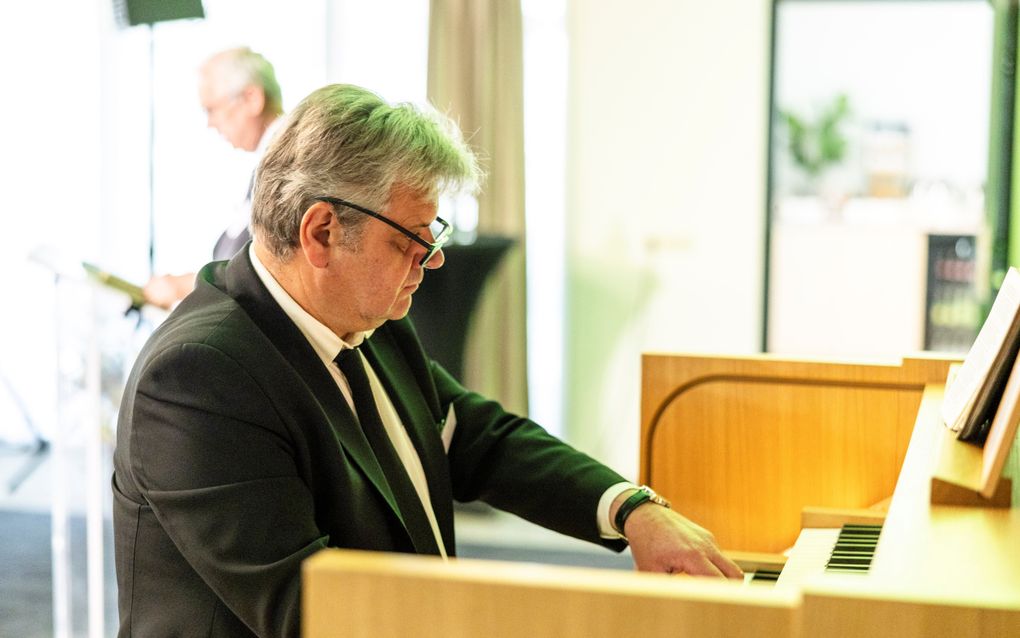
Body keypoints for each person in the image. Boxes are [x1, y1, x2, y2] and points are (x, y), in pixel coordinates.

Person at [112, 83, 742, 637]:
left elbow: (479, 439)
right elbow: (306, 609)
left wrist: (632, 509)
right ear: (322, 232)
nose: (433, 260)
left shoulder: (371, 318)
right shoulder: (200, 376)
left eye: (432, 234)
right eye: (411, 239)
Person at [143, 46, 285, 309]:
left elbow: (258, 271)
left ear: (252, 98)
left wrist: (178, 286)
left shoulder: (285, 165)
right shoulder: (267, 164)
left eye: (212, 109)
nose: (210, 123)